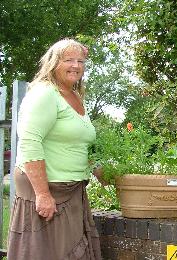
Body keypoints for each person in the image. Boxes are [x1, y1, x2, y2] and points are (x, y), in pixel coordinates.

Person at [7, 39, 102, 259]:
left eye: (80, 60)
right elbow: (30, 141)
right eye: (68, 59)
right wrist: (42, 194)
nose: (76, 65)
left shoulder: (74, 96)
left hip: (71, 189)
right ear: (52, 63)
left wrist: (98, 168)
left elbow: (78, 143)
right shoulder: (44, 93)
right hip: (47, 190)